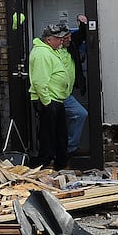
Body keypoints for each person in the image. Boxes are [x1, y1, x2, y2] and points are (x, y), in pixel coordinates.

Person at [28, 21, 85, 168]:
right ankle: (46, 163)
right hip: (49, 99)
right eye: (58, 38)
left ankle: (60, 162)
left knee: (60, 133)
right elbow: (40, 82)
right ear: (48, 39)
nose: (61, 41)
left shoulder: (51, 51)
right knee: (48, 134)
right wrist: (47, 103)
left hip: (57, 98)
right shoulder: (41, 53)